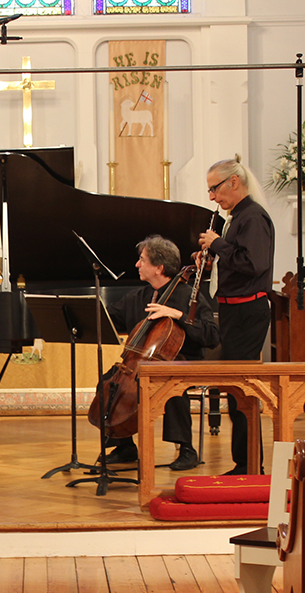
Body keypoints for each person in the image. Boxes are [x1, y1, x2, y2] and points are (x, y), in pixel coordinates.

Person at [102, 235, 220, 471]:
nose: (137, 264)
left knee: (171, 386)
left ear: (159, 267)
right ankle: (124, 445)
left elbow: (212, 336)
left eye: (142, 260)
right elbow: (108, 317)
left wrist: (178, 316)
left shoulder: (189, 296)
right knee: (107, 383)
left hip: (184, 360)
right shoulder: (139, 296)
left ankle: (187, 448)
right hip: (143, 363)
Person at [198, 155, 274, 475]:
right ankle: (244, 463)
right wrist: (211, 257)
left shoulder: (253, 216)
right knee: (235, 390)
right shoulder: (237, 217)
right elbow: (237, 262)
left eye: (214, 189)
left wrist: (218, 246)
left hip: (247, 311)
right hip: (234, 310)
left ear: (234, 181)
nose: (212, 197)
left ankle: (248, 466)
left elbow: (253, 264)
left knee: (242, 391)